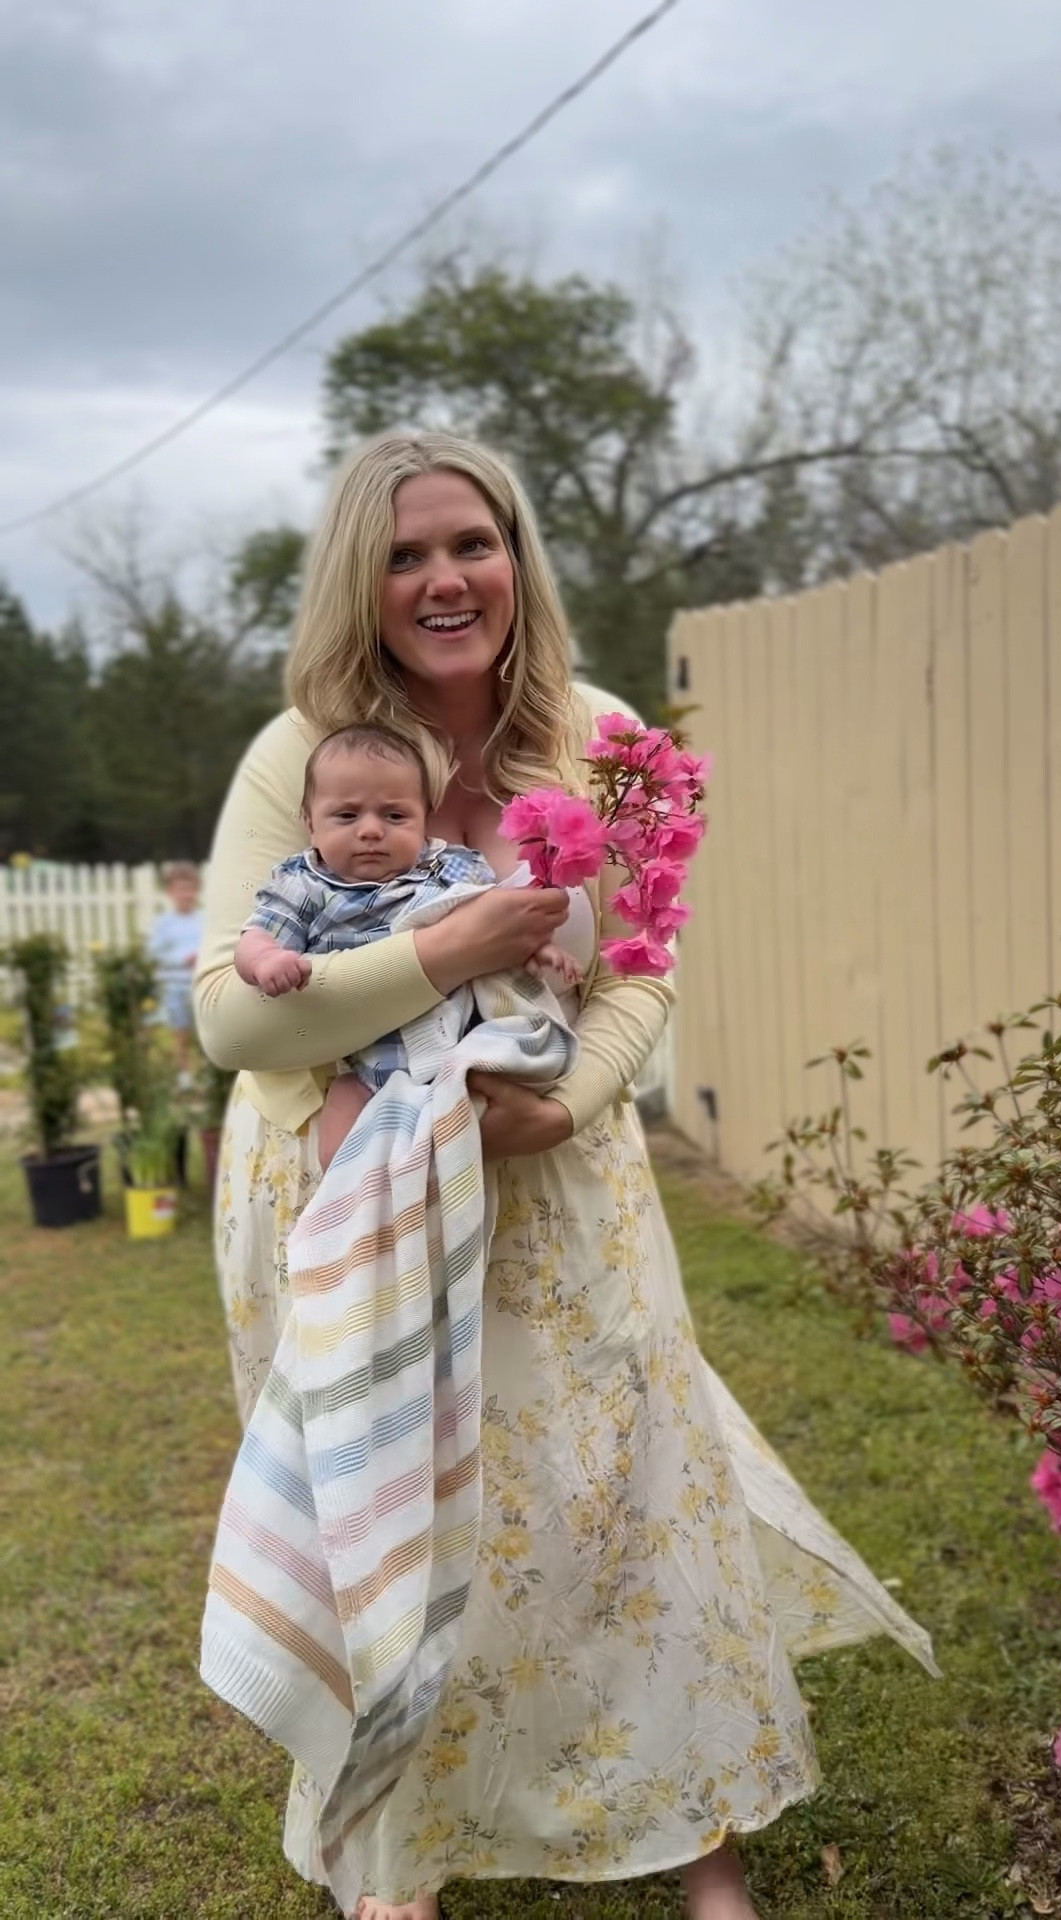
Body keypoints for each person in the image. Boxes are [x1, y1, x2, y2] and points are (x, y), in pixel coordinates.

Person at [195, 431, 936, 1920]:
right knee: (391, 1509)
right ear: (358, 581)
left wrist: (575, 1100)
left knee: (622, 1501)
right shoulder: (305, 752)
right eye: (404, 554)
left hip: (564, 1190)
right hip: (350, 1204)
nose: (444, 579)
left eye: (472, 543)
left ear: (517, 559)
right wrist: (442, 951)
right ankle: (399, 1854)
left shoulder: (604, 738)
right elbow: (231, 1015)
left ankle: (699, 1837)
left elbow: (644, 968)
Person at [234, 721, 582, 1169]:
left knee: (462, 1138)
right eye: (347, 816)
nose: (371, 830)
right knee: (341, 1153)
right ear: (310, 823)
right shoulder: (305, 885)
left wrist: (537, 949)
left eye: (395, 816)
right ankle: (358, 1202)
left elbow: (496, 922)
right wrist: (266, 959)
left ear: (424, 820)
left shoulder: (445, 871)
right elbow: (256, 935)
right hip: (366, 1065)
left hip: (457, 1051)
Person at [147, 859, 203, 1079]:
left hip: (200, 983)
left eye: (190, 889)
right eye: (180, 889)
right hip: (174, 987)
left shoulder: (204, 920)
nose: (186, 894)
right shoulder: (165, 923)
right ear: (170, 892)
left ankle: (206, 1075)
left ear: (197, 890)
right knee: (181, 1032)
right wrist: (182, 959)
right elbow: (153, 953)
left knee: (205, 1033)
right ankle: (184, 1077)